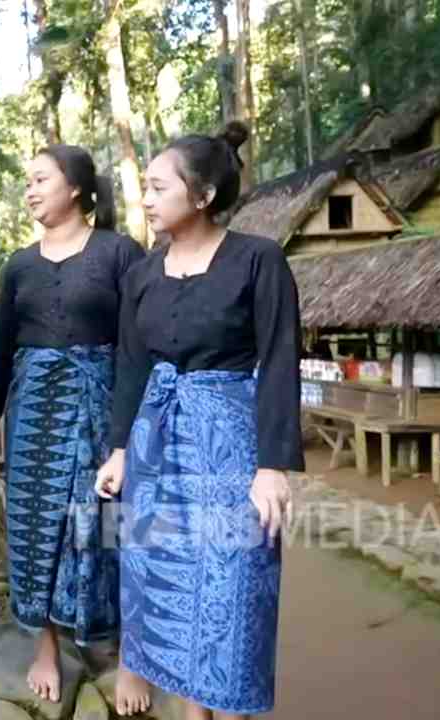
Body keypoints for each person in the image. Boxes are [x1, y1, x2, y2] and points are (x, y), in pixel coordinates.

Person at [95, 122, 301, 720]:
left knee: (231, 594)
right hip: (157, 450)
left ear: (204, 195)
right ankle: (191, 711)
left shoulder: (257, 260)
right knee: (168, 588)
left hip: (231, 450)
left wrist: (271, 466)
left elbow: (281, 358)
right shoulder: (140, 276)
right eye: (145, 188)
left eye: (159, 187)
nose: (147, 199)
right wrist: (119, 451)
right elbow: (131, 366)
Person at [0, 145, 147, 709]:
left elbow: (136, 345)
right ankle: (45, 644)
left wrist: (130, 426)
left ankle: (118, 644)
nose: (29, 189)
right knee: (32, 527)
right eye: (27, 181)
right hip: (33, 413)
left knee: (105, 523)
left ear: (75, 187)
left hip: (100, 405)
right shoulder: (19, 265)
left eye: (39, 179)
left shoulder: (119, 253)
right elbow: (2, 345)